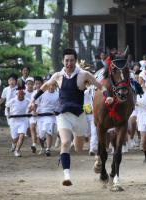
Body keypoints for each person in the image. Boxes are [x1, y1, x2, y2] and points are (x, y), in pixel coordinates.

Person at [29, 48, 113, 186]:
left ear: (75, 61)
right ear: (63, 61)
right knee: (65, 142)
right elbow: (45, 86)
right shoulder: (58, 75)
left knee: (78, 148)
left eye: (72, 60)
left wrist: (108, 96)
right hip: (63, 115)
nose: (69, 63)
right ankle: (66, 175)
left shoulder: (84, 74)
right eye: (66, 60)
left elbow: (100, 87)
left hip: (79, 116)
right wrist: (33, 100)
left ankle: (94, 156)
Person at [34, 82, 59, 156]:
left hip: (51, 116)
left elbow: (60, 104)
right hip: (41, 116)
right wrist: (34, 111)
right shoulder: (42, 93)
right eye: (50, 85)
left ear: (55, 86)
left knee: (49, 131)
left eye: (53, 85)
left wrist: (57, 111)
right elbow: (35, 103)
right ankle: (43, 147)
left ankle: (48, 149)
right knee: (40, 136)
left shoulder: (58, 94)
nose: (51, 87)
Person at [7, 89, 30, 157]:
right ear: (17, 95)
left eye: (22, 94)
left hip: (23, 120)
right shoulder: (12, 100)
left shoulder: (27, 100)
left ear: (24, 95)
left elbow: (32, 106)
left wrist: (31, 112)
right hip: (14, 121)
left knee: (22, 135)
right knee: (15, 138)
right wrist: (8, 114)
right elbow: (7, 107)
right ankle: (14, 144)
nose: (20, 96)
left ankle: (17, 150)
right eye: (19, 95)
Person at [28, 76, 44, 153]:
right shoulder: (33, 93)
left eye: (39, 84)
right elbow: (33, 103)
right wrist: (32, 110)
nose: (37, 85)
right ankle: (34, 144)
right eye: (36, 84)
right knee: (32, 127)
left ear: (42, 84)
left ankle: (43, 147)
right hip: (34, 113)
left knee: (41, 134)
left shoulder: (45, 93)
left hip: (42, 114)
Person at [83, 85, 97, 156]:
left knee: (94, 132)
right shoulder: (85, 93)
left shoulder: (98, 92)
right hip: (85, 114)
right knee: (86, 132)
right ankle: (86, 136)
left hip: (94, 115)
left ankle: (92, 149)